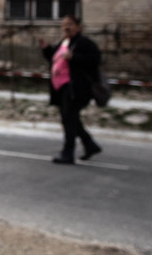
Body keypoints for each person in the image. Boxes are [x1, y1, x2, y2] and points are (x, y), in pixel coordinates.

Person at [38, 15, 103, 164]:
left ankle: (68, 153)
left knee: (69, 119)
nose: (66, 27)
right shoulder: (64, 42)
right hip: (62, 87)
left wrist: (74, 57)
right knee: (70, 119)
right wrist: (46, 49)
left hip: (77, 88)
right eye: (64, 24)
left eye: (70, 24)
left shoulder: (84, 43)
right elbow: (55, 58)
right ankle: (90, 145)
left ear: (78, 27)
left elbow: (96, 60)